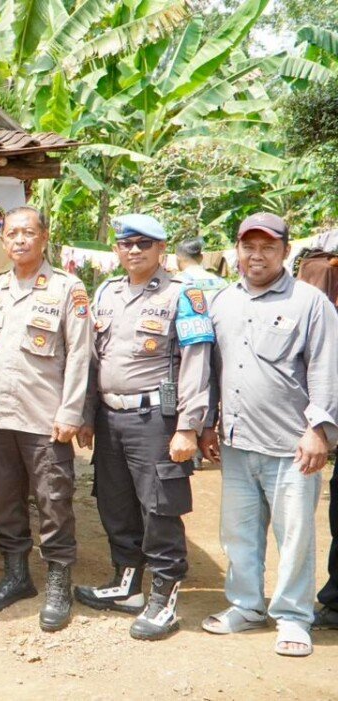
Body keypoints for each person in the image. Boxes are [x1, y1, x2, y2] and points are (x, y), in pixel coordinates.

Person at [198, 213, 338, 658]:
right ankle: (246, 606)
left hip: (292, 445)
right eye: (249, 247)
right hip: (237, 443)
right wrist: (207, 426)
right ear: (237, 250)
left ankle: (294, 617)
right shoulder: (222, 302)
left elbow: (325, 370)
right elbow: (212, 370)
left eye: (268, 248)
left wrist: (318, 430)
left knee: (294, 536)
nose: (257, 256)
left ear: (286, 251)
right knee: (238, 534)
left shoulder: (310, 302)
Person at [73, 214, 213, 641]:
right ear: (117, 249)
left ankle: (164, 598)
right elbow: (95, 357)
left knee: (160, 508)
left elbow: (196, 363)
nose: (134, 250)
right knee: (115, 503)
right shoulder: (108, 291)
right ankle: (127, 586)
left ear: (161, 249)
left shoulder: (184, 295)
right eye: (127, 243)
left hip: (156, 419)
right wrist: (86, 413)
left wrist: (188, 426)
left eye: (144, 244)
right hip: (110, 417)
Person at [0, 206, 92, 633]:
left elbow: (80, 355)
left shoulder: (67, 288)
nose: (19, 240)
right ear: (3, 242)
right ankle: (17, 575)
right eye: (12, 234)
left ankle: (58, 582)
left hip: (46, 418)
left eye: (28, 233)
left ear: (44, 238)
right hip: (2, 416)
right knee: (5, 500)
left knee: (53, 501)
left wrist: (71, 412)